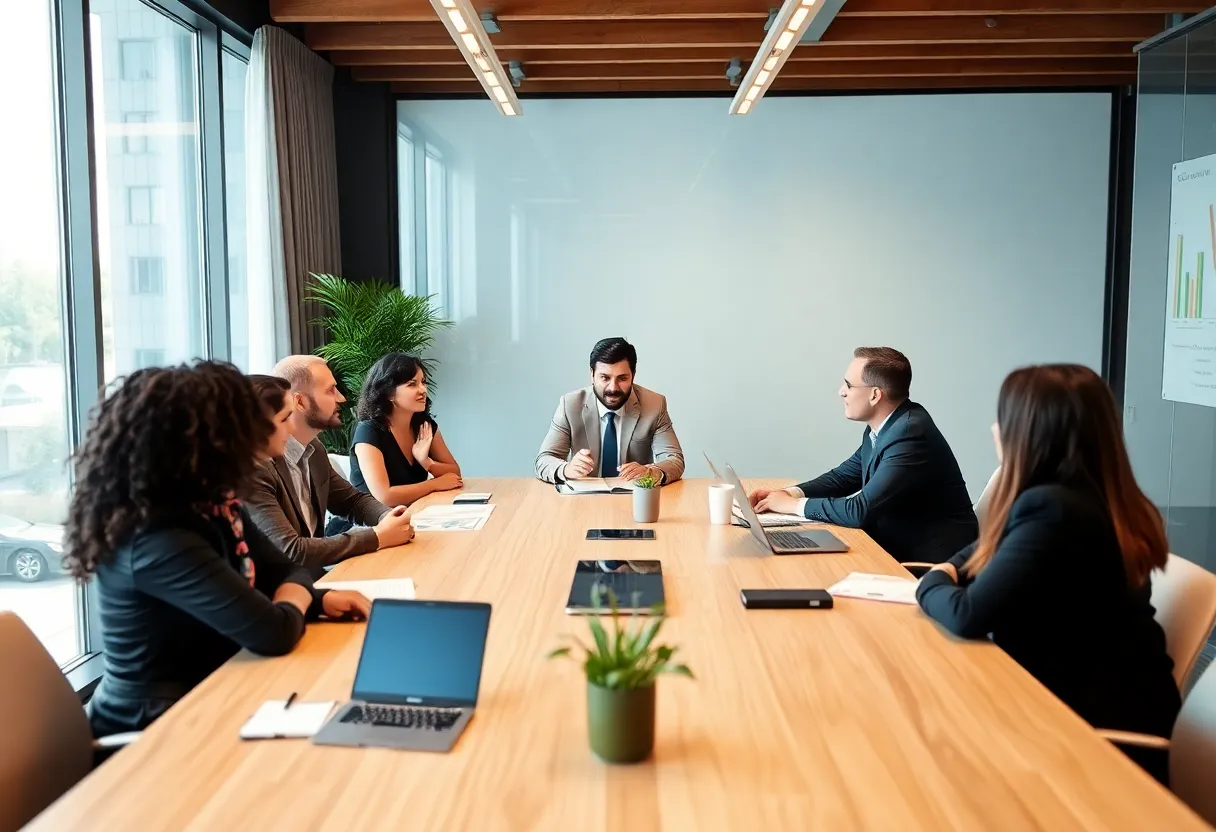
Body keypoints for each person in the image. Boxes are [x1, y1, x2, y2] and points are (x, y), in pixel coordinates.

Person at [66, 362, 373, 737]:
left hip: (217, 690)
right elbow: (273, 630)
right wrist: (297, 592)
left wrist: (318, 598)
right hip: (155, 728)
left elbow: (285, 570)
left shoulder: (213, 506)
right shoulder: (157, 538)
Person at [916, 364, 1180, 783]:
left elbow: (967, 616)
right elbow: (990, 547)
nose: (993, 429)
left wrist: (931, 581)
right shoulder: (1089, 494)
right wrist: (951, 568)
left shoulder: (1054, 509)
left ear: (1031, 432)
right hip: (1096, 701)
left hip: (1090, 732)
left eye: (1004, 418)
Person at [749, 347, 976, 564]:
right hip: (890, 547)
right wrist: (786, 494)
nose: (841, 391)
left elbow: (859, 511)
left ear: (875, 395)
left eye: (849, 385)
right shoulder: (885, 426)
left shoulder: (909, 434)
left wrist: (791, 506)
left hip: (927, 564)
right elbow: (844, 477)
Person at [244, 356, 415, 579]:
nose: (341, 398)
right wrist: (377, 536)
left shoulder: (314, 449)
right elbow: (291, 551)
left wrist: (389, 517)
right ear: (300, 402)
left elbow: (351, 501)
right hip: (285, 590)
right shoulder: (256, 469)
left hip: (312, 581)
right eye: (331, 390)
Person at [536, 337, 684, 484]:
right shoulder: (570, 405)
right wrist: (566, 469)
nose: (613, 388)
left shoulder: (654, 405)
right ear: (592, 375)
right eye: (605, 378)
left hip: (633, 497)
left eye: (622, 378)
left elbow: (675, 460)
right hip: (583, 498)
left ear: (633, 375)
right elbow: (544, 460)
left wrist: (650, 472)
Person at [342, 352, 463, 515]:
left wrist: (427, 462)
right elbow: (385, 496)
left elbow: (454, 474)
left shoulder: (423, 424)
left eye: (423, 382)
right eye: (412, 384)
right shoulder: (368, 430)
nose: (423, 390)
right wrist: (434, 484)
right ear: (389, 393)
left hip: (412, 515)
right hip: (369, 526)